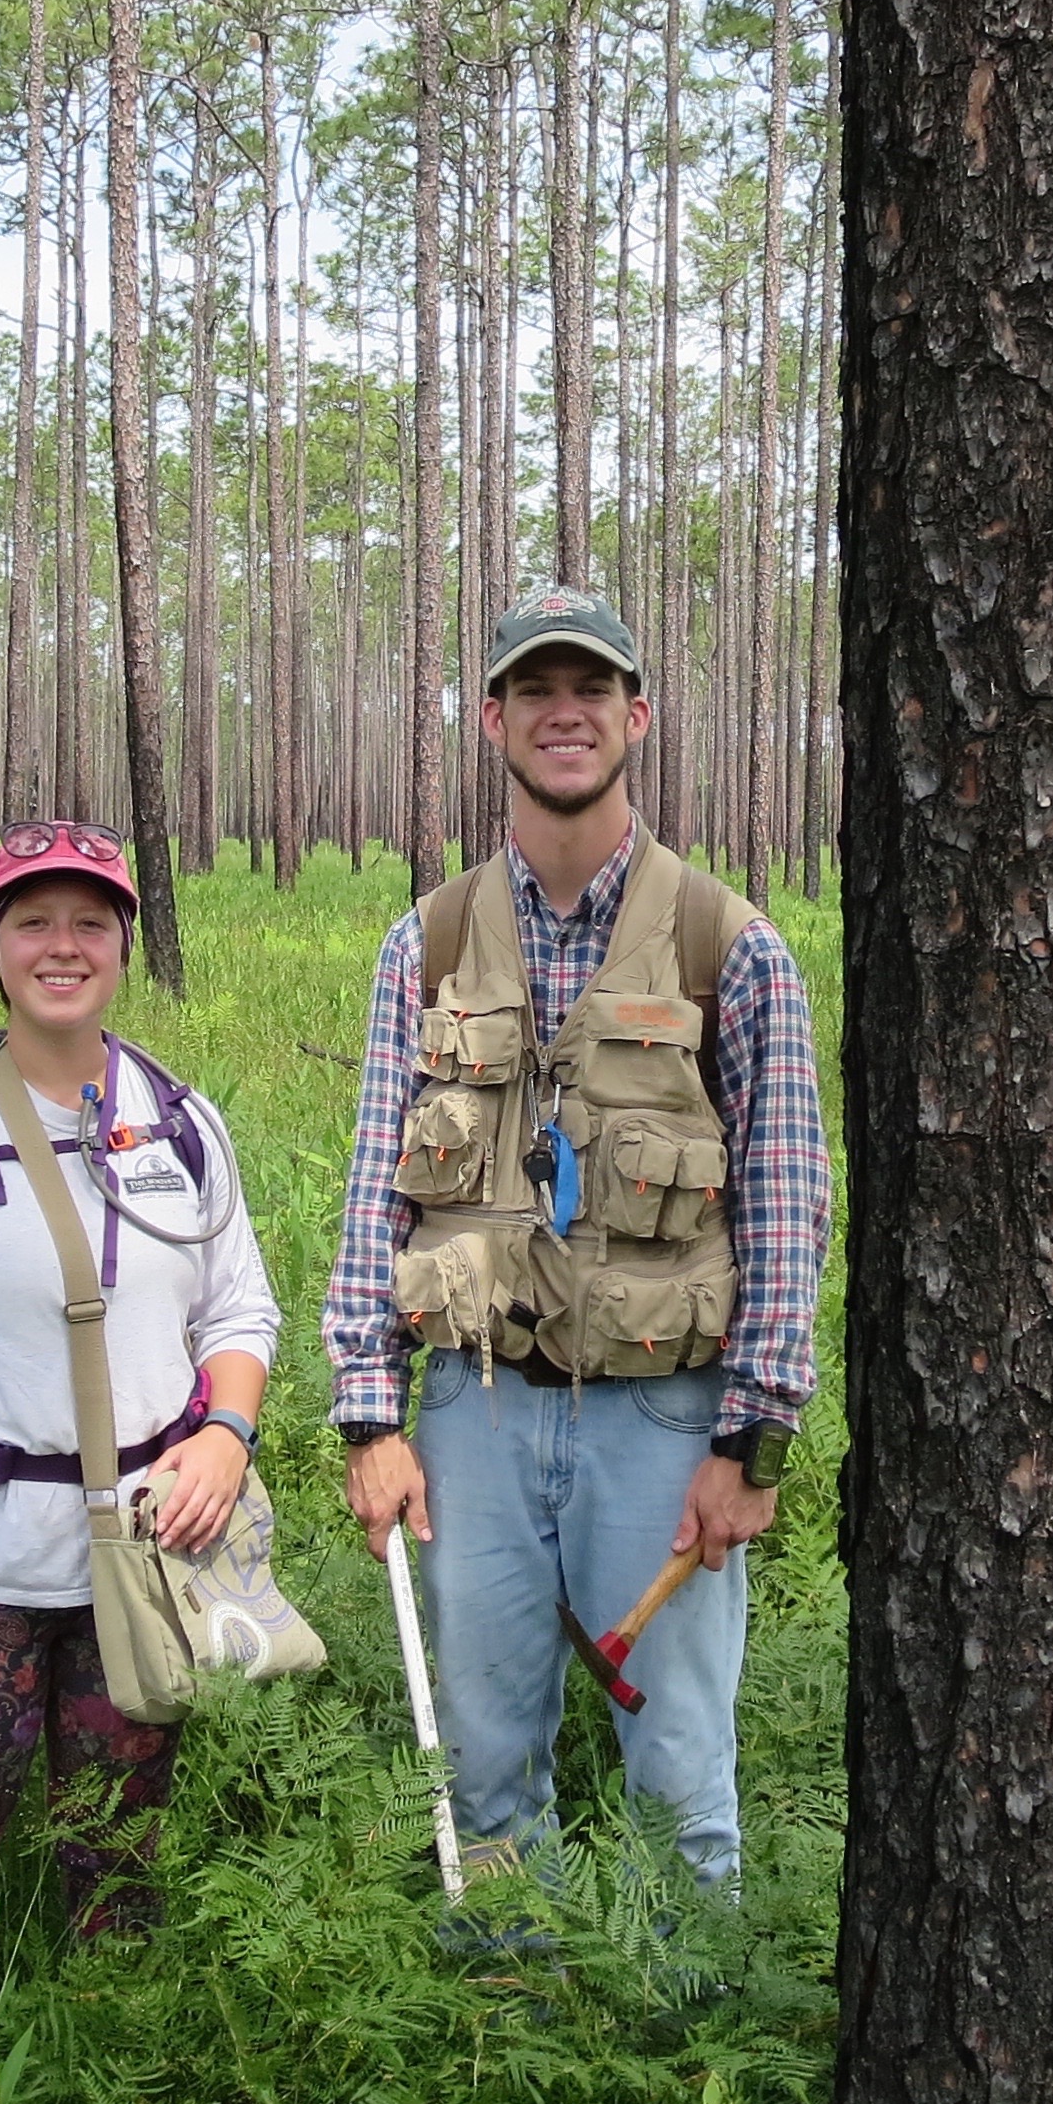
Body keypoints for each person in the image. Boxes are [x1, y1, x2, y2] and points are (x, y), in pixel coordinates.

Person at [324, 586, 829, 1890]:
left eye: (592, 690)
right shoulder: (424, 945)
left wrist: (752, 1442)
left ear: (636, 718)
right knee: (487, 1778)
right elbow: (379, 1190)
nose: (565, 714)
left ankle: (689, 2075)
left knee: (678, 1785)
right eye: (536, 691)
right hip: (473, 1419)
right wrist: (371, 1423)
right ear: (494, 721)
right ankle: (506, 2038)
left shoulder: (732, 947)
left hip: (662, 1428)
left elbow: (785, 1207)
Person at [0, 821, 278, 1992]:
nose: (62, 946)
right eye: (33, 921)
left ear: (127, 943)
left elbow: (239, 1314)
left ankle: (107, 2085)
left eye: (90, 921)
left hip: (144, 1568)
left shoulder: (183, 1123)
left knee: (120, 1859)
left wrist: (224, 1436)